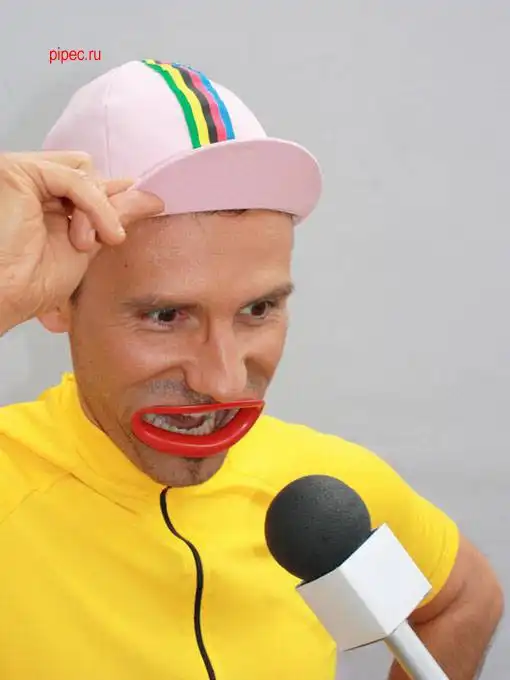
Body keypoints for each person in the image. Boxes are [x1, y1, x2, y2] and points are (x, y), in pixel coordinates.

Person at [0, 60, 503, 680]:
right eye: (165, 315)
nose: (225, 382)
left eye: (258, 310)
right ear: (57, 299)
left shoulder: (322, 495)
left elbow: (465, 599)